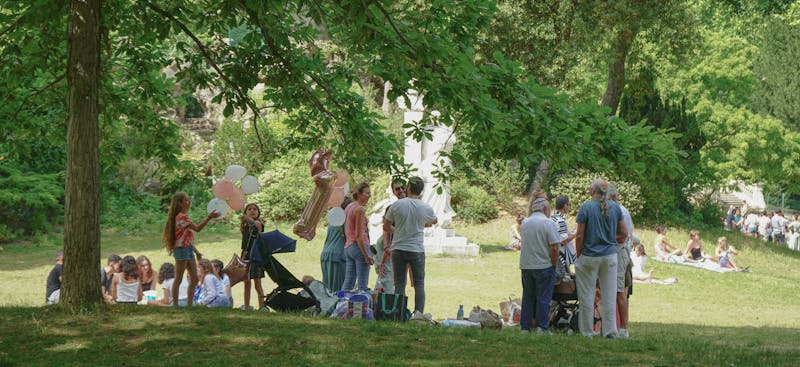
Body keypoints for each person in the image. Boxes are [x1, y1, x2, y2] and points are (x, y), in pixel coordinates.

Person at [574, 179, 627, 339]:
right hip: (610, 256)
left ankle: (587, 332)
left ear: (592, 191)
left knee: (587, 295)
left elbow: (579, 235)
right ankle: (610, 332)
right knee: (609, 295)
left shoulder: (586, 207)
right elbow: (624, 233)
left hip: (589, 256)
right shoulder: (615, 208)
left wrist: (579, 254)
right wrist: (609, 239)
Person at [383, 176, 437, 318]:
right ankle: (418, 314)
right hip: (416, 249)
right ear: (421, 191)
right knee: (419, 284)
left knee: (399, 284)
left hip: (398, 248)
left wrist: (398, 231)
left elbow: (386, 226)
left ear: (408, 188)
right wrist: (421, 224)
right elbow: (434, 220)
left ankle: (399, 314)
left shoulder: (397, 205)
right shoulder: (425, 207)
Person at [162, 192, 220, 307]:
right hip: (181, 250)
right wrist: (209, 217)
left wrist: (196, 251)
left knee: (194, 279)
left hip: (187, 249)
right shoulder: (181, 217)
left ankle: (189, 305)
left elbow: (186, 238)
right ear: (180, 203)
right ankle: (176, 305)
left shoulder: (183, 216)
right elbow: (197, 229)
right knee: (178, 278)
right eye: (186, 200)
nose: (189, 202)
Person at [518, 197, 560, 334]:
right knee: (543, 297)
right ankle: (542, 326)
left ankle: (525, 326)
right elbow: (554, 247)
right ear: (545, 209)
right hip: (543, 265)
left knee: (528, 297)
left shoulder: (524, 223)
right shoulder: (548, 223)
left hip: (526, 265)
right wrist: (554, 263)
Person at [607, 184, 633, 339]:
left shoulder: (620, 211)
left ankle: (623, 328)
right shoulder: (612, 210)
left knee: (619, 292)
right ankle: (611, 326)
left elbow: (623, 236)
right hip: (613, 254)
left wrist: (602, 239)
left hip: (619, 253)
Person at [374, 180, 407, 293]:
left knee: (391, 287)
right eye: (397, 189)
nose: (401, 190)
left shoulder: (411, 207)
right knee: (385, 287)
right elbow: (386, 232)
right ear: (393, 191)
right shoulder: (392, 208)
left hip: (395, 257)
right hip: (388, 258)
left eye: (403, 187)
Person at [341, 183, 374, 291]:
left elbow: (344, 229)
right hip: (359, 246)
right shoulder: (359, 209)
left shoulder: (349, 207)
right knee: (362, 284)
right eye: (367, 193)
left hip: (349, 246)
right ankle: (361, 302)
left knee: (348, 281)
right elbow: (359, 235)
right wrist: (366, 255)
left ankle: (341, 300)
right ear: (359, 194)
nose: (369, 195)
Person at [320, 198, 351, 292]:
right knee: (339, 291)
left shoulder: (333, 220)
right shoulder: (346, 221)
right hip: (339, 256)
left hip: (326, 254)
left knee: (328, 290)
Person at [240, 203, 265, 310]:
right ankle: (246, 306)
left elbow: (255, 225)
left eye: (255, 209)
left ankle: (262, 306)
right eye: (249, 209)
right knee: (246, 282)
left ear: (258, 212)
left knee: (257, 283)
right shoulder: (245, 226)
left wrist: (247, 219)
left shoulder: (258, 223)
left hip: (256, 256)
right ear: (245, 212)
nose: (252, 211)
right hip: (246, 255)